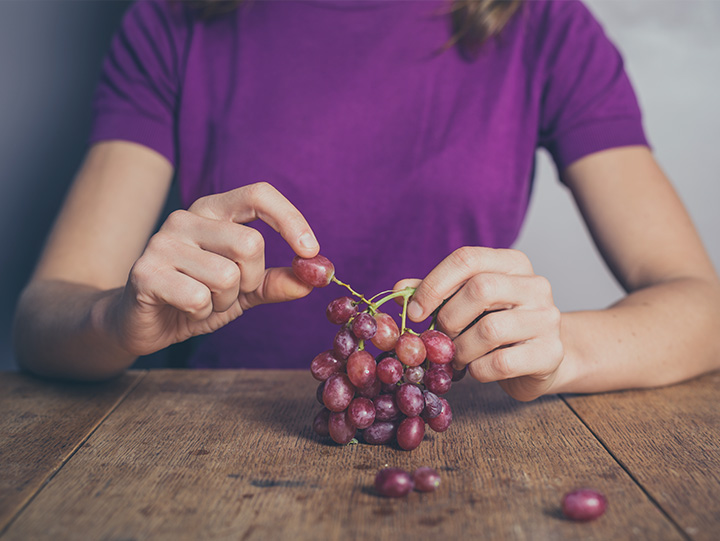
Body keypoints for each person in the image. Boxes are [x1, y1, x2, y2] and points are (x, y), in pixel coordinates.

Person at [13, 0, 720, 401]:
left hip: (448, 447)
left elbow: (702, 306)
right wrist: (117, 318)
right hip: (204, 453)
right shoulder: (171, 20)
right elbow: (43, 316)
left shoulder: (547, 26)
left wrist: (567, 349)